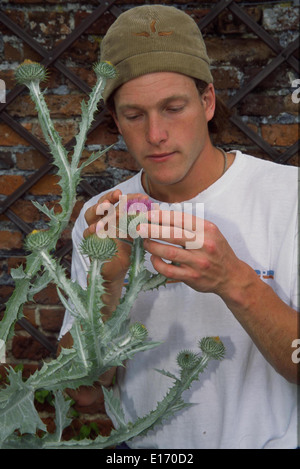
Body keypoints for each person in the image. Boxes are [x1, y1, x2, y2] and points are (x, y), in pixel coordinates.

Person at [59, 5, 299, 449]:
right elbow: (84, 390)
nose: (156, 134)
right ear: (115, 120)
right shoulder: (102, 216)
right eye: (134, 115)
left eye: (173, 108)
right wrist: (105, 288)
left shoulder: (291, 199)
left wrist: (237, 282)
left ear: (207, 101)